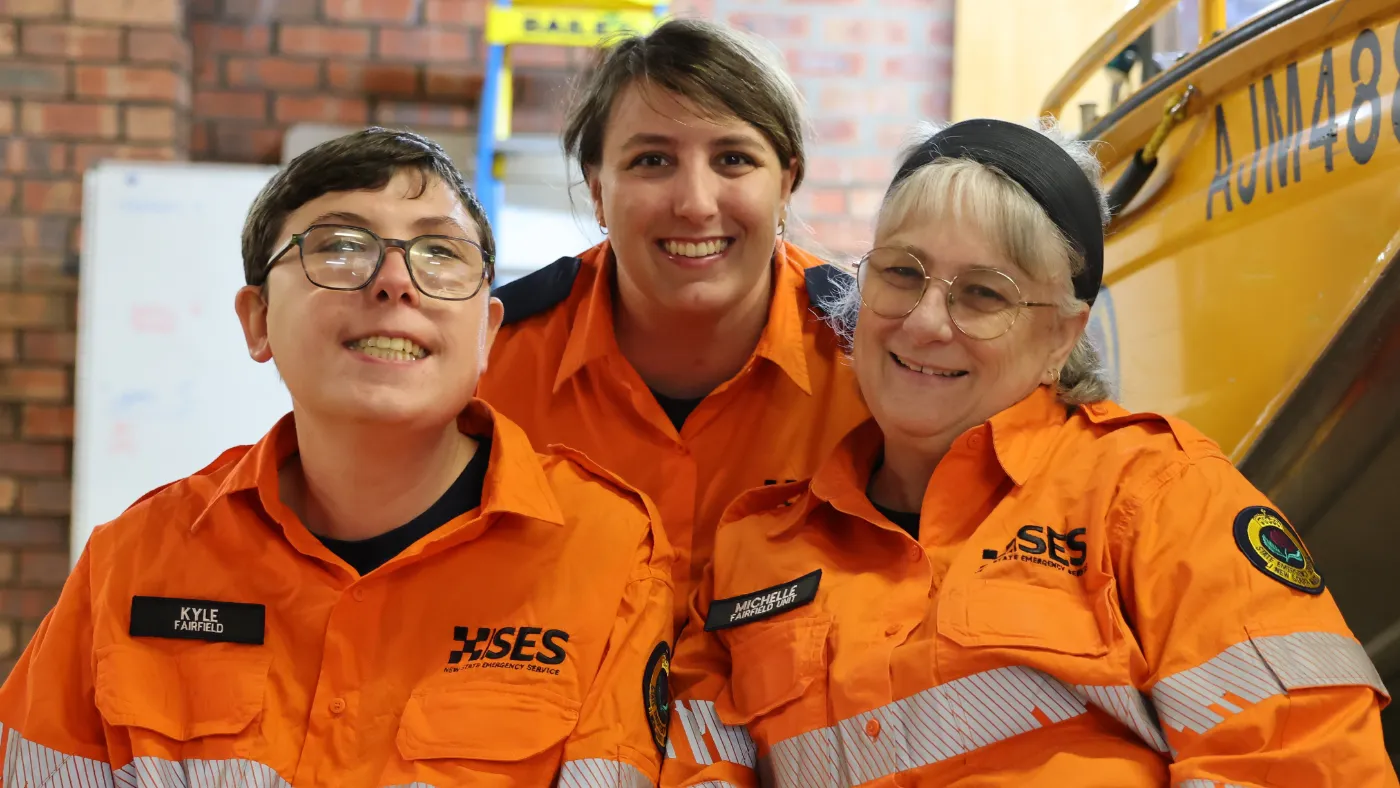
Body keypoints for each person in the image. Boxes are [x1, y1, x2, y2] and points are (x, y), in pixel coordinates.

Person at [660, 118, 1397, 785]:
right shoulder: (755, 548)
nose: (924, 323)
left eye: (984, 295)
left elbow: (1301, 764)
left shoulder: (1158, 497)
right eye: (902, 273)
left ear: (1061, 340)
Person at [0, 128, 675, 787]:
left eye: (439, 252)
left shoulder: (607, 554)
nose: (394, 282)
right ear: (257, 320)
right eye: (341, 246)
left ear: (487, 336)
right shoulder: (133, 563)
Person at [478, 18, 869, 629]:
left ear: (786, 184)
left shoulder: (876, 355)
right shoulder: (489, 365)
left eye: (734, 159)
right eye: (652, 159)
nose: (694, 203)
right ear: (598, 190)